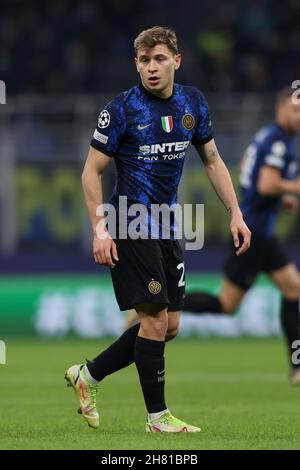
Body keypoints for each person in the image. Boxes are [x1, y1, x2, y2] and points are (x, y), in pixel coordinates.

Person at [64, 26, 251, 432]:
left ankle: (89, 374)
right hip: (129, 224)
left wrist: (236, 212)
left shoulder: (193, 103)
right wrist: (100, 229)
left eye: (160, 59)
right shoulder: (121, 109)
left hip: (167, 225)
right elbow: (91, 172)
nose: (152, 68)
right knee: (153, 321)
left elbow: (214, 161)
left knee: (170, 327)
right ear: (136, 64)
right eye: (144, 61)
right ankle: (157, 418)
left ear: (176, 61)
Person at [180, 88, 300, 384]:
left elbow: (252, 176)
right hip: (254, 233)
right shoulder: (278, 142)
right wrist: (293, 186)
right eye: (294, 110)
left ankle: (297, 368)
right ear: (280, 110)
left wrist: (278, 198)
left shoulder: (267, 137)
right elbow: (265, 183)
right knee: (226, 305)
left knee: (293, 290)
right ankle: (165, 303)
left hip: (261, 231)